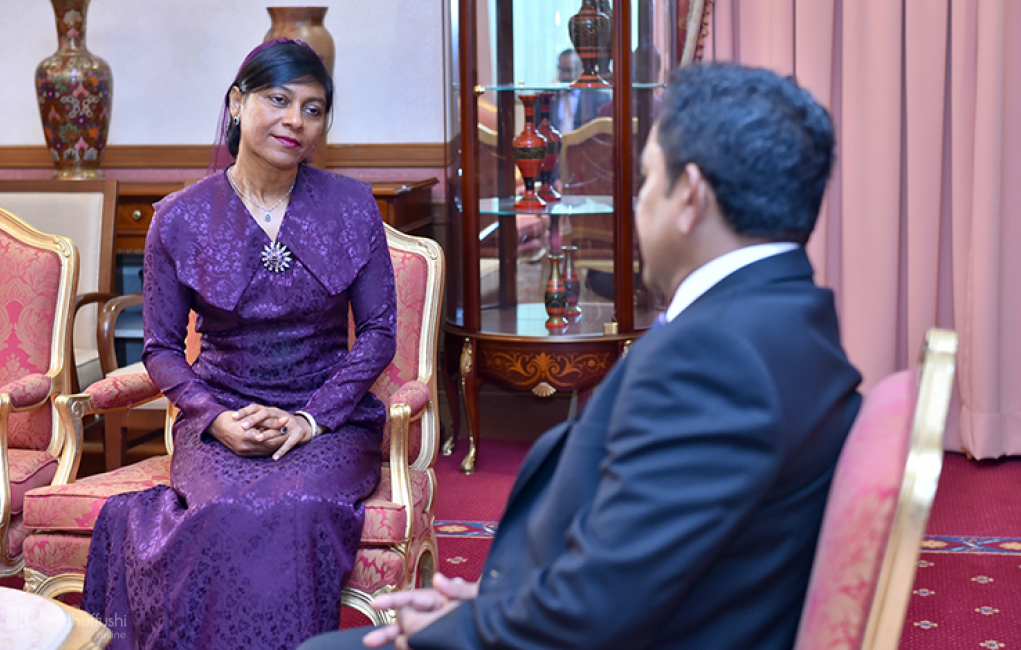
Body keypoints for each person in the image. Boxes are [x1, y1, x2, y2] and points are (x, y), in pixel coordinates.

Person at [300, 61, 862, 650]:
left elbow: (600, 609)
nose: (639, 203)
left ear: (690, 196)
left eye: (647, 180)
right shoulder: (788, 319)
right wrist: (492, 603)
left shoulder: (717, 357)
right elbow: (652, 558)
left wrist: (460, 628)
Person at [81, 39, 397, 650]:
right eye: (278, 100)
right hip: (221, 415)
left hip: (329, 421)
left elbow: (380, 332)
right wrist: (213, 419)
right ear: (236, 103)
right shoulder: (179, 217)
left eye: (312, 108)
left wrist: (311, 418)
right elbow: (161, 348)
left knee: (299, 507)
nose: (295, 120)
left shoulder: (352, 206)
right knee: (224, 510)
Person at [551, 49, 610, 132]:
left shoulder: (599, 99)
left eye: (569, 70)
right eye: (562, 70)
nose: (565, 76)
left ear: (580, 70)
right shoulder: (549, 98)